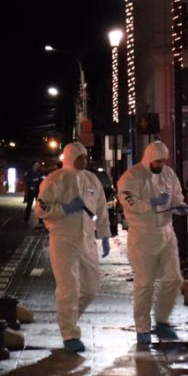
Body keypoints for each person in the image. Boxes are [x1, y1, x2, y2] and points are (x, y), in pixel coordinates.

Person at [35, 143, 111, 353]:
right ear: (70, 157)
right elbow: (41, 210)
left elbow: (101, 209)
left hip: (87, 241)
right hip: (63, 240)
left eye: (85, 157)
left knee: (91, 286)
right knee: (69, 288)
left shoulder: (91, 180)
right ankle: (69, 334)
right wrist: (64, 209)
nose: (83, 161)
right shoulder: (55, 180)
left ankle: (67, 318)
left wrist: (104, 235)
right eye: (79, 157)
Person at [118, 141, 185, 345]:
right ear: (149, 159)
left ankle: (162, 320)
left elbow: (176, 196)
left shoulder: (169, 174)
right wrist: (150, 204)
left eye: (164, 161)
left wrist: (180, 206)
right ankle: (142, 327)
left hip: (166, 233)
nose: (161, 164)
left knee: (173, 278)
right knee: (145, 283)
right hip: (143, 236)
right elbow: (128, 201)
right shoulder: (132, 177)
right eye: (158, 161)